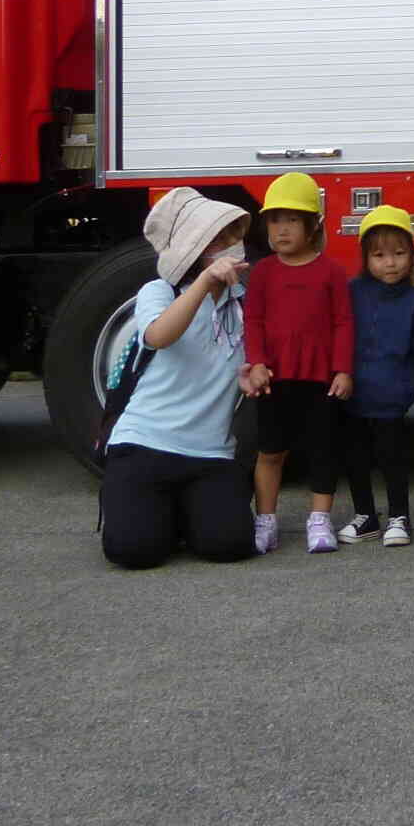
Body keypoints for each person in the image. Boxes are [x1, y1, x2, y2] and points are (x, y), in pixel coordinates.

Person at [98, 187, 258, 570]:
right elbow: (158, 335)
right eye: (218, 239)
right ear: (195, 250)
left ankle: (181, 513)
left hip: (210, 453)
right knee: (133, 552)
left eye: (234, 235)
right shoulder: (160, 291)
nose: (232, 245)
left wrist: (250, 377)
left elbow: (242, 366)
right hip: (143, 445)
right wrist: (204, 283)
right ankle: (153, 511)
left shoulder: (243, 301)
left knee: (230, 545)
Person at [237, 171, 355, 557]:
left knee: (324, 449)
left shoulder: (333, 273)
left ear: (313, 224)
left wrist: (343, 369)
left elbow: (343, 322)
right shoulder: (263, 273)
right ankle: (265, 519)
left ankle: (319, 520)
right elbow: (252, 321)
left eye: (291, 219)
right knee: (270, 451)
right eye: (274, 220)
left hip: (321, 378)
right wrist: (255, 363)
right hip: (273, 378)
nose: (281, 229)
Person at [337, 205, 414, 549]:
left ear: (412, 254)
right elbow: (341, 335)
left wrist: (409, 387)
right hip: (354, 394)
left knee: (393, 459)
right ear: (365, 257)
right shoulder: (353, 291)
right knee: (355, 458)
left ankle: (399, 516)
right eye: (379, 255)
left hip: (392, 397)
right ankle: (365, 516)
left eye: (398, 253)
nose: (389, 263)